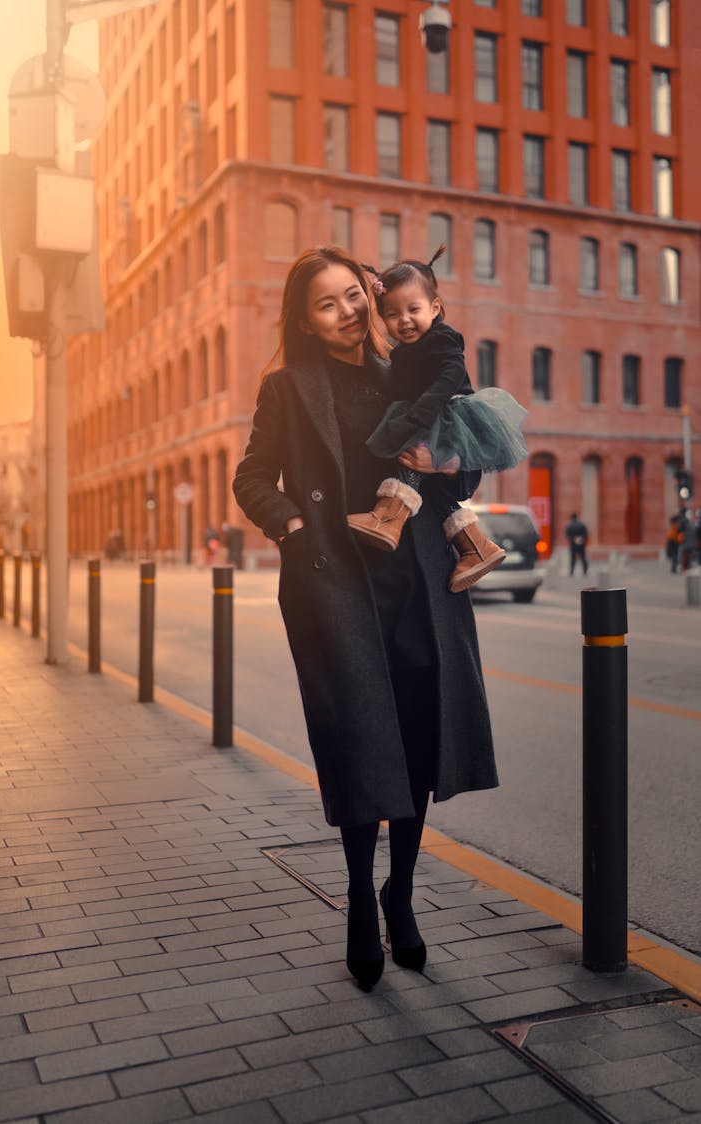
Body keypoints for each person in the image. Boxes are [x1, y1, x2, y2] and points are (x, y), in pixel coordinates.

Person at [233, 246, 497, 991]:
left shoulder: (409, 365)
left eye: (354, 293)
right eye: (327, 303)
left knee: (416, 742)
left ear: (372, 294)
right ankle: (357, 896)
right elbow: (252, 478)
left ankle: (400, 893)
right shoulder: (288, 387)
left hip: (418, 582)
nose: (348, 310)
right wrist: (292, 528)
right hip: (339, 586)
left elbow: (462, 455)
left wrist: (454, 468)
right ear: (307, 322)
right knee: (359, 743)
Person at [346, 247, 528, 592]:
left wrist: (421, 413)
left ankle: (389, 515)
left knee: (409, 454)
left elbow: (451, 373)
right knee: (429, 482)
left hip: (446, 413)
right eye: (392, 314)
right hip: (428, 413)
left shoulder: (442, 338)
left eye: (413, 310)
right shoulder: (401, 353)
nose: (404, 320)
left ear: (435, 308)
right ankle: (476, 546)